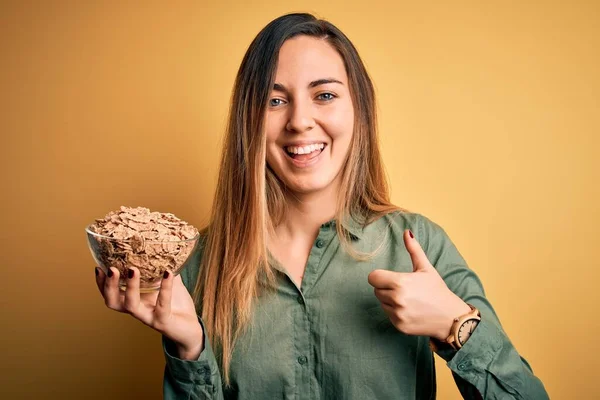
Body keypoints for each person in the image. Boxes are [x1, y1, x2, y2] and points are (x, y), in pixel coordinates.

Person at [95, 13, 549, 399]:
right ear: (248, 121)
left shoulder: (418, 245)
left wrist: (456, 326)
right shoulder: (196, 265)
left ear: (359, 110)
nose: (299, 120)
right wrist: (190, 350)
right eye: (275, 100)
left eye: (325, 95)